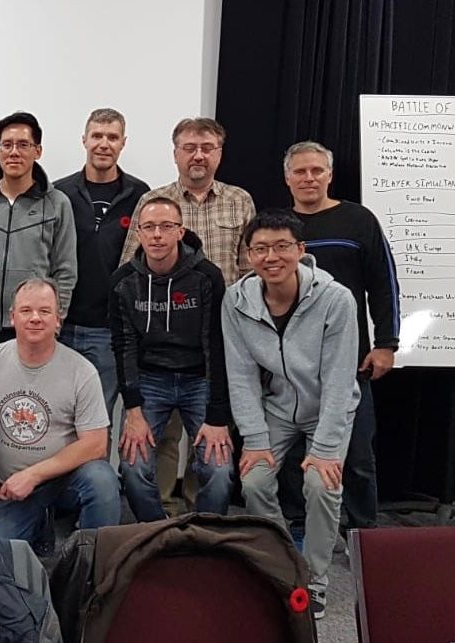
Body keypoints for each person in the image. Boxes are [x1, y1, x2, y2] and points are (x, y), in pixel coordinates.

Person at [222, 210, 360, 620]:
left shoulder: (336, 299)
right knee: (253, 480)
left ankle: (314, 580)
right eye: (261, 249)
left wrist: (325, 449)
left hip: (329, 410)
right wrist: (254, 440)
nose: (272, 257)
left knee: (321, 484)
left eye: (282, 246)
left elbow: (339, 379)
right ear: (249, 256)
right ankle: (283, 565)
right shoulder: (237, 300)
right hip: (279, 407)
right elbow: (241, 375)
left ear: (300, 250)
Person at [119, 117, 256, 515]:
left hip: (219, 345)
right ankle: (163, 518)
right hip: (160, 347)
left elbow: (250, 272)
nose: (198, 155)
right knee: (159, 441)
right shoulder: (155, 202)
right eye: (189, 147)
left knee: (210, 444)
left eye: (207, 147)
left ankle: (200, 520)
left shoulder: (240, 201)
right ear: (175, 153)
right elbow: (129, 270)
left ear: (219, 153)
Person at [276, 141, 399, 542]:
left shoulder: (358, 220)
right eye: (300, 171)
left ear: (329, 175)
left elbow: (384, 284)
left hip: (350, 361)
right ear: (287, 178)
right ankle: (298, 526)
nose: (309, 178)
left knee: (358, 454)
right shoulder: (278, 227)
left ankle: (363, 533)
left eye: (317, 170)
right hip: (292, 364)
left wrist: (387, 343)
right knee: (295, 453)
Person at [0, 278, 121, 552]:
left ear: (58, 319)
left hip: (66, 482)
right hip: (10, 488)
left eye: (45, 311)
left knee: (102, 479)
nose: (35, 318)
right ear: (12, 317)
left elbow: (96, 445)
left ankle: (93, 563)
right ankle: (40, 524)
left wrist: (34, 475)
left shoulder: (81, 371)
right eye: (26, 310)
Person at [109, 197, 232, 521]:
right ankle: (156, 533)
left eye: (166, 226)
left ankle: (207, 534)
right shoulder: (123, 281)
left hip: (200, 379)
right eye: (149, 227)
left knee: (219, 469)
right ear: (138, 233)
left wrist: (218, 416)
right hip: (151, 380)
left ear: (180, 231)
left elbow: (217, 345)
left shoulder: (206, 276)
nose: (157, 235)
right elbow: (124, 347)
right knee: (133, 465)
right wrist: (133, 410)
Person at [0, 111, 77, 368]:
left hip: (31, 329)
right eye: (6, 145)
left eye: (23, 145)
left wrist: (54, 323)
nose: (14, 152)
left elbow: (65, 270)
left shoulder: (57, 204)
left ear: (37, 151)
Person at [53, 107, 150, 418]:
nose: (104, 144)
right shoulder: (59, 193)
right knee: (57, 417)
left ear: (123, 143)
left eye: (112, 137)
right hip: (62, 326)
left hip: (109, 330)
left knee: (98, 419)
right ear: (84, 140)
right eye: (97, 136)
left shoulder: (140, 195)